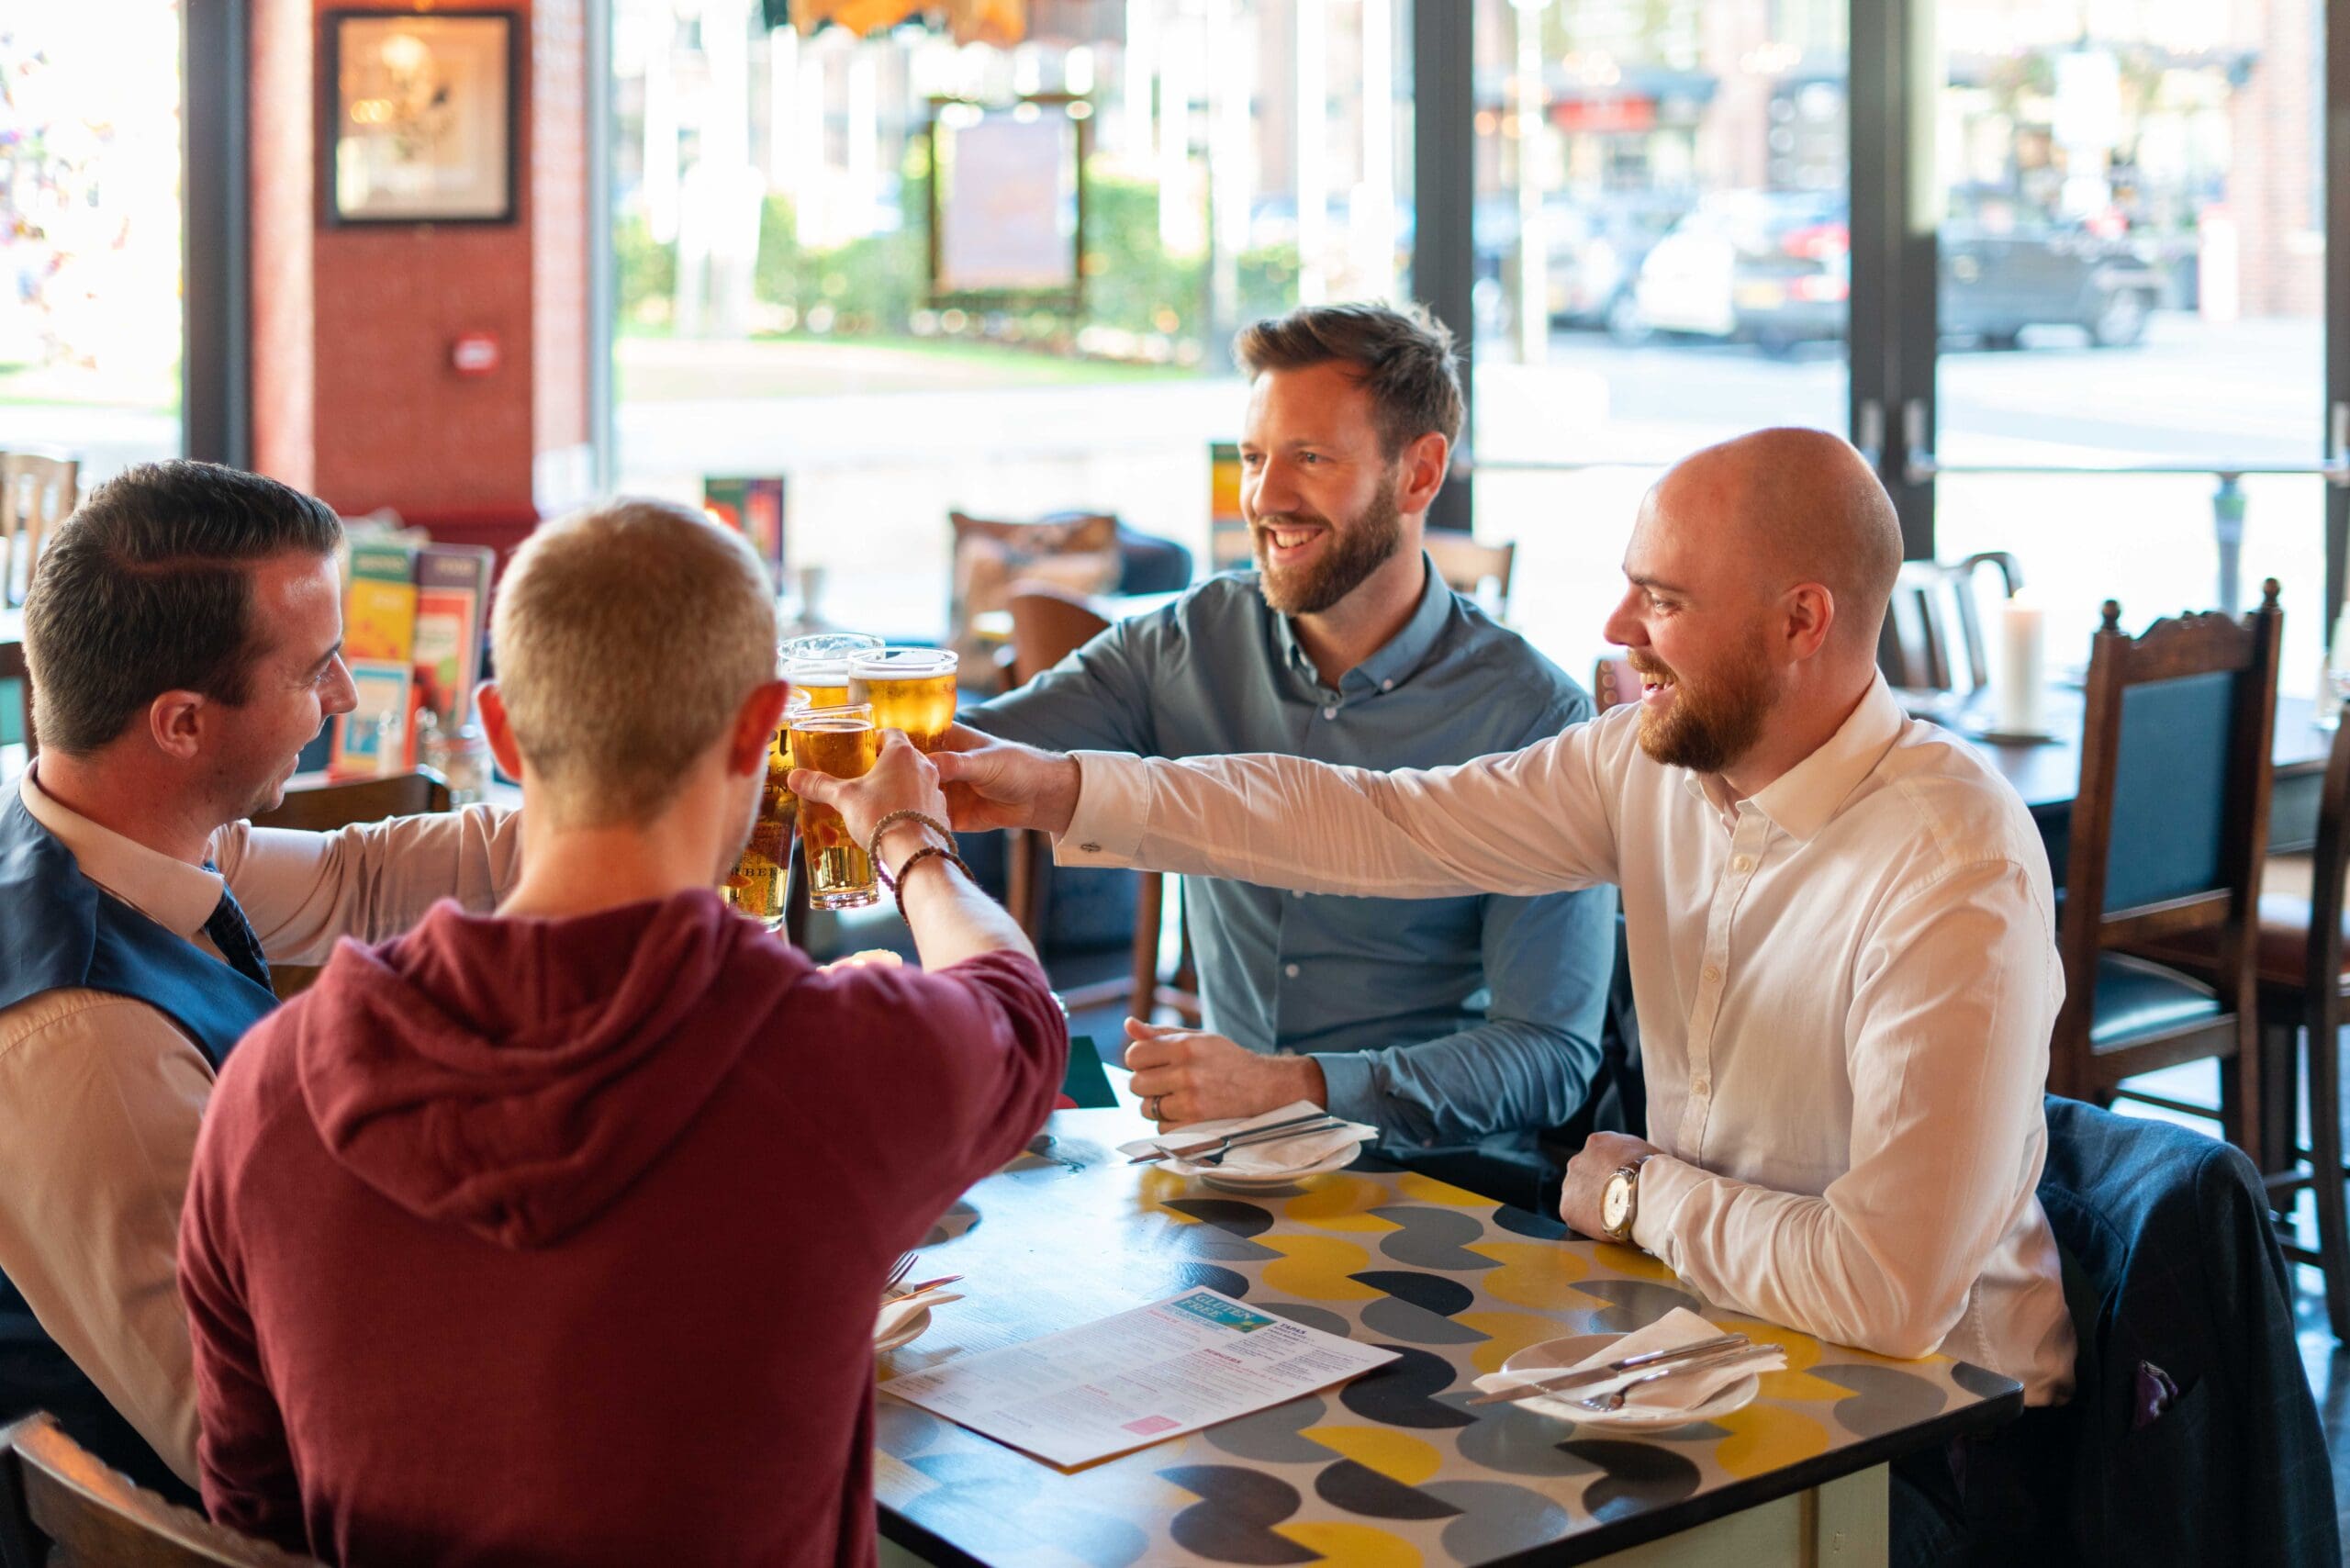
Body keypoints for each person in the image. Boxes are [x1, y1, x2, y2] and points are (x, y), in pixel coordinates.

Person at [937, 427, 2076, 1553]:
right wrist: (1059, 788)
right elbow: (1375, 821)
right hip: (1711, 1356)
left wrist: (1640, 1197)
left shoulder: (1953, 861)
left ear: (1801, 620)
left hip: (1934, 1438)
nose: (1618, 632)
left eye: (1662, 600)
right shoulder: (1645, 761)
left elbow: (1888, 1293)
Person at [179, 500, 1065, 1566]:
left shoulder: (267, 1087)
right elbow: (1020, 1012)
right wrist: (913, 844)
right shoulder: (840, 1060)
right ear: (762, 730)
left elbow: (250, 1510)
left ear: (503, 731)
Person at [968, 303, 1614, 1201]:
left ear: (1419, 472)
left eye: (1309, 457)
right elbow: (985, 749)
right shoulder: (1186, 641)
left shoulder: (1535, 717)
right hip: (1219, 1168)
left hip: (1447, 1185)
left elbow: (1549, 1056)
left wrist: (1299, 1088)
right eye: (1253, 457)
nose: (1266, 497)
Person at [0, 462, 523, 1496]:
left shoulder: (106, 831)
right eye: (315, 667)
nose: (343, 694)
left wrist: (694, 797)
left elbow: (359, 876)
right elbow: (242, 1444)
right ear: (182, 723)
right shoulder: (82, 1046)